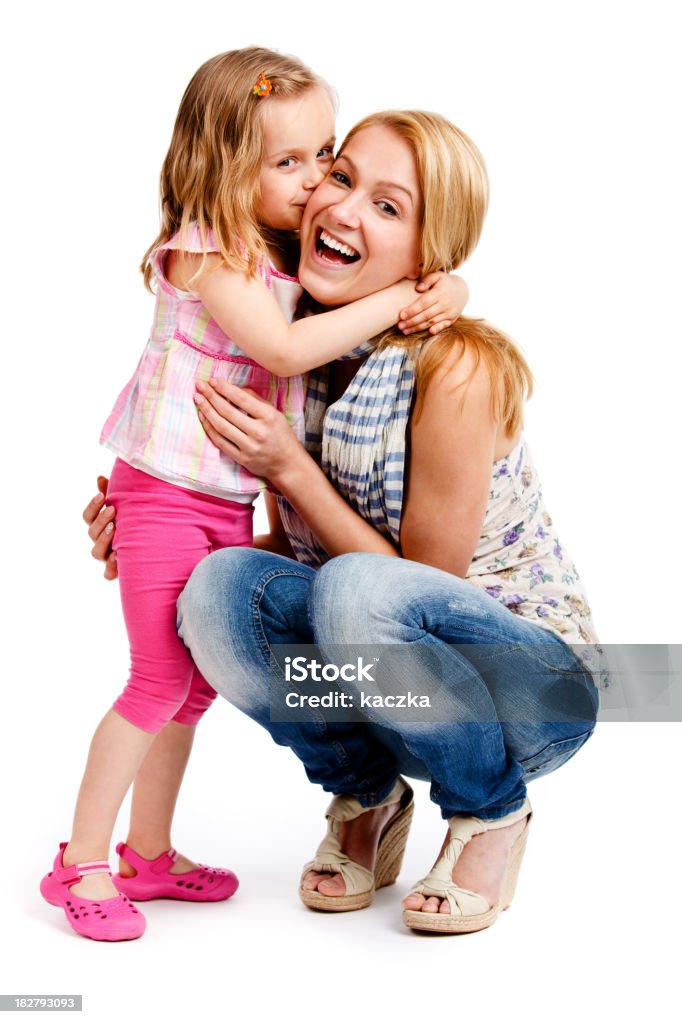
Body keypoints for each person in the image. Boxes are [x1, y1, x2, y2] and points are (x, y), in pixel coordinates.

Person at [86, 109, 600, 936]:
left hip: (525, 690)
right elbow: (290, 569)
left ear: (429, 260)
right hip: (390, 683)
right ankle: (366, 790)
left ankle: (492, 812)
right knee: (218, 587)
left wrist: (292, 468)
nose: (346, 210)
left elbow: (415, 588)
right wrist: (160, 540)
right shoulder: (293, 342)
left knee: (361, 588)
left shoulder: (455, 365)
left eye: (390, 207)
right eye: (340, 175)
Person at [43, 50, 467, 943]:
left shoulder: (280, 264)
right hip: (163, 492)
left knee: (188, 691)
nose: (316, 181)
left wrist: (449, 285)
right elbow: (279, 354)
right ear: (227, 170)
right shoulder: (207, 252)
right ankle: (80, 861)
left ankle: (147, 855)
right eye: (292, 162)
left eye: (324, 153)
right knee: (154, 683)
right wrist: (402, 292)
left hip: (215, 501)